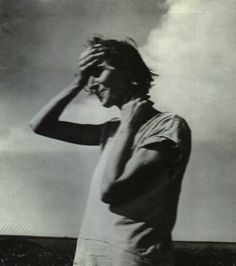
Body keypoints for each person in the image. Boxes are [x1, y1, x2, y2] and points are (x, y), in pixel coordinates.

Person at [29, 37, 191, 266]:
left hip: (132, 258)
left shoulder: (168, 126)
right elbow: (40, 126)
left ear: (129, 72)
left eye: (97, 71)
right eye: (87, 75)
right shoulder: (112, 130)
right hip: (90, 256)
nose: (91, 84)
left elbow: (111, 191)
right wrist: (76, 82)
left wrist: (127, 126)